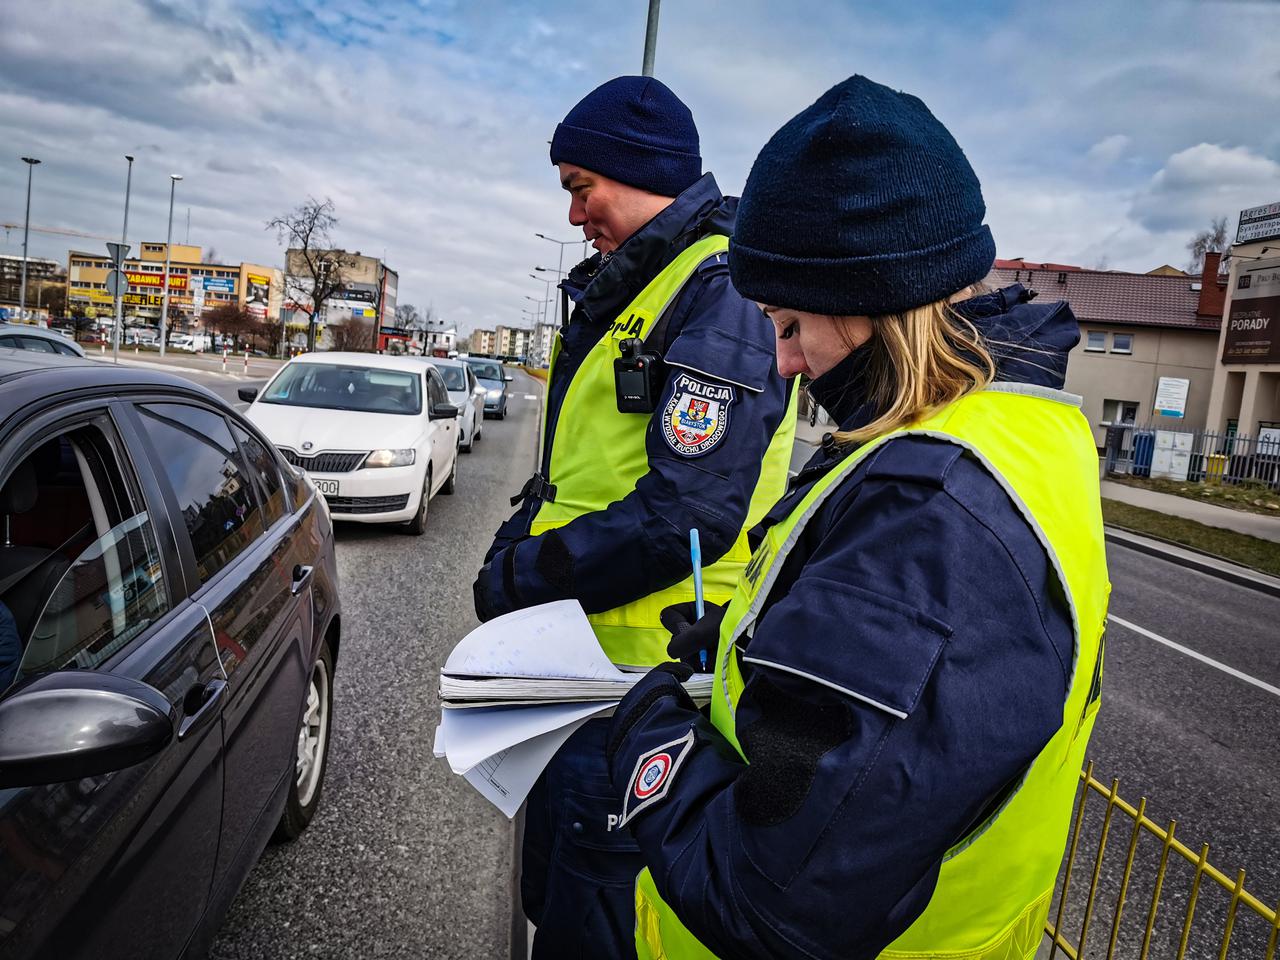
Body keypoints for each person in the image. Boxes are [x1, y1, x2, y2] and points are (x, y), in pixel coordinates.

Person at [602, 75, 1110, 960]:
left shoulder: (935, 508)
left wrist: (649, 727)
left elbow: (768, 900)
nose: (787, 365)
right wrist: (745, 652)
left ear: (877, 305)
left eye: (793, 325)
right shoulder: (1009, 431)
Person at [472, 76, 797, 956]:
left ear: (641, 173)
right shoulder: (640, 287)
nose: (576, 213)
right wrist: (520, 537)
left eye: (583, 188)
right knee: (556, 897)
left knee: (597, 922)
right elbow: (582, 471)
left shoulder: (718, 293)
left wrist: (522, 574)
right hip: (584, 667)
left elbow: (687, 511)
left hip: (644, 684)